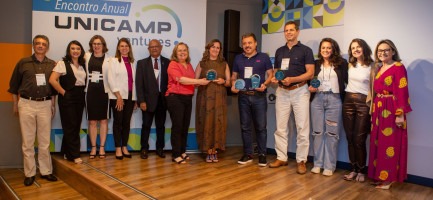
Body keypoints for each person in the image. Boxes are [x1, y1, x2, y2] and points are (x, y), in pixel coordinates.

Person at [8, 35, 58, 186]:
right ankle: (29, 174)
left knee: (44, 141)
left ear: (47, 47)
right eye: (38, 43)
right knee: (28, 142)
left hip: (45, 104)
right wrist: (15, 104)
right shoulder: (23, 63)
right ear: (33, 46)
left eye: (43, 44)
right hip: (26, 104)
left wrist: (53, 104)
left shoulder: (52, 64)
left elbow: (54, 87)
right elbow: (14, 85)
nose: (40, 46)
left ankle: (46, 171)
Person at [268, 21, 314, 175]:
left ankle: (301, 160)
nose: (289, 33)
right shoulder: (279, 51)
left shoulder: (306, 50)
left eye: (291, 30)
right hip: (282, 91)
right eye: (286, 30)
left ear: (298, 32)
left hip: (299, 91)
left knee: (302, 128)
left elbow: (310, 73)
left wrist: (292, 80)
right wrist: (275, 78)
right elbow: (277, 71)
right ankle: (281, 157)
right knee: (280, 127)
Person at [368, 39, 411, 189]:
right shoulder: (379, 68)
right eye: (380, 50)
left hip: (392, 110)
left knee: (389, 144)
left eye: (386, 50)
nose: (383, 53)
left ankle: (388, 179)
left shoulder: (398, 67)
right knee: (379, 143)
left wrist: (400, 115)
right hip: (379, 110)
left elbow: (402, 91)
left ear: (393, 51)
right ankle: (381, 176)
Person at [231, 33, 273, 167]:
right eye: (244, 43)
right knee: (245, 127)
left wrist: (265, 84)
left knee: (261, 127)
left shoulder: (264, 57)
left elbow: (271, 74)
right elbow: (234, 76)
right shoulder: (238, 58)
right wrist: (233, 85)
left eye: (249, 43)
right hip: (243, 96)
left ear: (255, 44)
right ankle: (248, 154)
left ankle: (262, 154)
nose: (247, 45)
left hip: (259, 96)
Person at [308, 38, 348, 176]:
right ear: (320, 50)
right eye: (323, 48)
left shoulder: (342, 64)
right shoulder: (316, 64)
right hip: (317, 100)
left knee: (332, 133)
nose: (326, 50)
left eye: (328, 48)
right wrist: (311, 88)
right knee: (317, 132)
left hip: (334, 100)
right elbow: (310, 82)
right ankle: (318, 163)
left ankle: (329, 166)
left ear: (333, 49)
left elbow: (347, 82)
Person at [166, 42, 210, 164]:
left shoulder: (189, 65)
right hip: (175, 98)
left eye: (184, 50)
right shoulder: (172, 65)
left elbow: (191, 82)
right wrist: (199, 81)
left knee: (184, 126)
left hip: (187, 98)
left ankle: (182, 151)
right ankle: (175, 154)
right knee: (178, 126)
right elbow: (182, 80)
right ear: (175, 52)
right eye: (179, 50)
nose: (182, 52)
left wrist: (204, 81)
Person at [49, 40, 87, 164]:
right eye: (73, 48)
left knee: (75, 125)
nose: (75, 51)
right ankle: (74, 155)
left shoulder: (83, 64)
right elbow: (52, 80)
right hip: (68, 96)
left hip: (80, 95)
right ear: (69, 50)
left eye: (78, 48)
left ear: (81, 51)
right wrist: (63, 92)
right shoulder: (62, 63)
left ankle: (66, 151)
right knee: (70, 125)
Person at [342, 38, 374, 182]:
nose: (355, 50)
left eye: (358, 47)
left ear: (364, 48)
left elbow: (374, 88)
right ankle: (353, 169)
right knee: (350, 138)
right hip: (348, 102)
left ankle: (362, 170)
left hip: (363, 103)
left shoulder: (373, 66)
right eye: (353, 48)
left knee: (359, 139)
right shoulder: (350, 64)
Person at [195, 39, 231, 163]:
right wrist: (201, 81)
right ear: (208, 48)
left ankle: (214, 150)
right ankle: (207, 150)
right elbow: (195, 83)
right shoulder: (202, 64)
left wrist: (223, 82)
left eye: (218, 47)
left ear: (220, 50)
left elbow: (229, 82)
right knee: (206, 122)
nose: (215, 49)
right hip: (204, 98)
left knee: (218, 122)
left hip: (219, 99)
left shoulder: (224, 64)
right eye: (213, 47)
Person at [136, 39, 170, 159]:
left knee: (161, 126)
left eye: (156, 46)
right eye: (151, 47)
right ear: (148, 49)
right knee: (146, 125)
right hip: (147, 101)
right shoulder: (141, 63)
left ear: (160, 48)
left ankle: (160, 148)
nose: (154, 48)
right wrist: (141, 101)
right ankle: (144, 148)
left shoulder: (168, 62)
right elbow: (139, 85)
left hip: (162, 101)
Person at [107, 38, 137, 160]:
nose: (124, 48)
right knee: (118, 122)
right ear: (118, 48)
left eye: (126, 46)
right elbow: (111, 79)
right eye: (122, 46)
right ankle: (118, 148)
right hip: (118, 97)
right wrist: (118, 96)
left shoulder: (132, 62)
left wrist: (135, 99)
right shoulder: (113, 61)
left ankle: (124, 146)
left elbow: (133, 82)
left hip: (130, 97)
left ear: (129, 48)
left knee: (126, 123)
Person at [85, 35, 111, 159]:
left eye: (99, 44)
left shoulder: (109, 59)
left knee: (103, 120)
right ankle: (93, 147)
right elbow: (72, 60)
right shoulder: (86, 56)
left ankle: (102, 147)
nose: (96, 46)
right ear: (91, 45)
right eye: (94, 44)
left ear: (103, 45)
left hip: (104, 91)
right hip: (90, 91)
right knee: (92, 121)